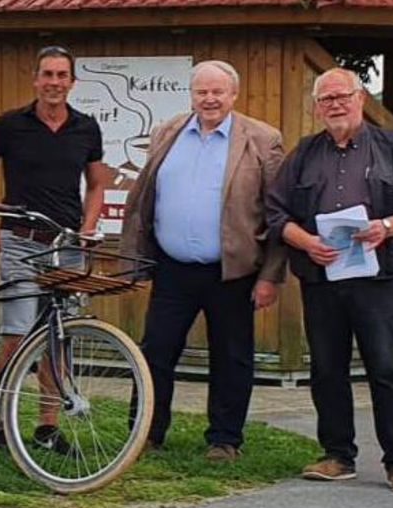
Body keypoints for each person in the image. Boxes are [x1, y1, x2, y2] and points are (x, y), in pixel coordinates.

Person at [121, 60, 285, 462]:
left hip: (232, 272)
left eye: (217, 92)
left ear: (233, 94)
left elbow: (278, 213)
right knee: (155, 352)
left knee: (231, 357)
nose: (209, 99)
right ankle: (146, 432)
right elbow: (144, 200)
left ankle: (224, 439)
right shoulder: (167, 133)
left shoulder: (262, 139)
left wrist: (270, 277)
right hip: (172, 268)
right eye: (201, 92)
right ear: (191, 94)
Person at [0, 45, 107, 453]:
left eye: (62, 75)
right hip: (20, 241)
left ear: (72, 82)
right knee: (18, 332)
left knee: (58, 337)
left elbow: (97, 182)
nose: (54, 83)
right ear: (36, 79)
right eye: (47, 74)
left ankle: (46, 427)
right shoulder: (11, 125)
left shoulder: (86, 127)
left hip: (66, 245)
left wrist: (89, 226)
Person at [266, 68, 393, 489]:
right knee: (326, 369)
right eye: (326, 99)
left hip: (380, 280)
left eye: (342, 96)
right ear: (316, 107)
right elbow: (274, 213)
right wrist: (303, 241)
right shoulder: (304, 153)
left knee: (386, 367)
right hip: (322, 279)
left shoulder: (391, 145)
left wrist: (387, 227)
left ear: (360, 98)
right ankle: (338, 455)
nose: (335, 105)